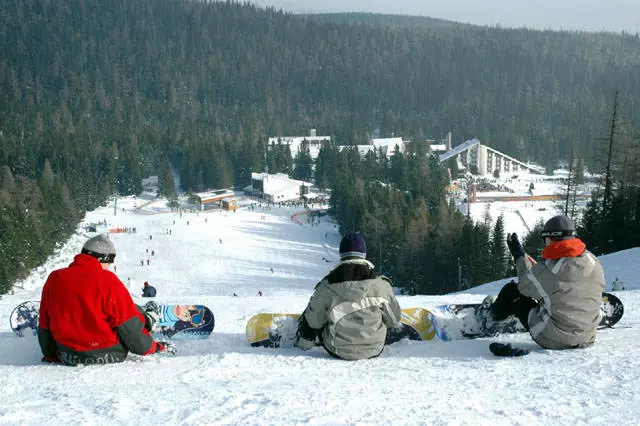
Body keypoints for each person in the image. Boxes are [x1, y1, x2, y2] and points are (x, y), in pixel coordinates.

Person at [38, 234, 175, 365]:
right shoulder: (108, 280)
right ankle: (148, 319)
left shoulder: (54, 278)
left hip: (67, 354)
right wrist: (154, 347)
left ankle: (146, 318)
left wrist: (50, 355)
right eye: (109, 262)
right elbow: (129, 328)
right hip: (109, 354)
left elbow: (44, 324)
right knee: (129, 308)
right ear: (102, 259)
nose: (109, 267)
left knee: (121, 306)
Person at [484, 215, 605, 350]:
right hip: (587, 336)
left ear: (549, 238)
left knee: (511, 290)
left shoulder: (550, 268)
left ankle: (490, 318)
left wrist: (518, 255)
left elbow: (525, 285)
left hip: (553, 339)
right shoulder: (594, 261)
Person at [295, 232, 401, 360]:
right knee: (383, 311)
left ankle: (303, 342)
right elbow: (394, 320)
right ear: (364, 254)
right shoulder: (381, 284)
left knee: (312, 312)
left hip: (337, 349)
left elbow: (314, 322)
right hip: (375, 348)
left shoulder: (326, 286)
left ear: (341, 254)